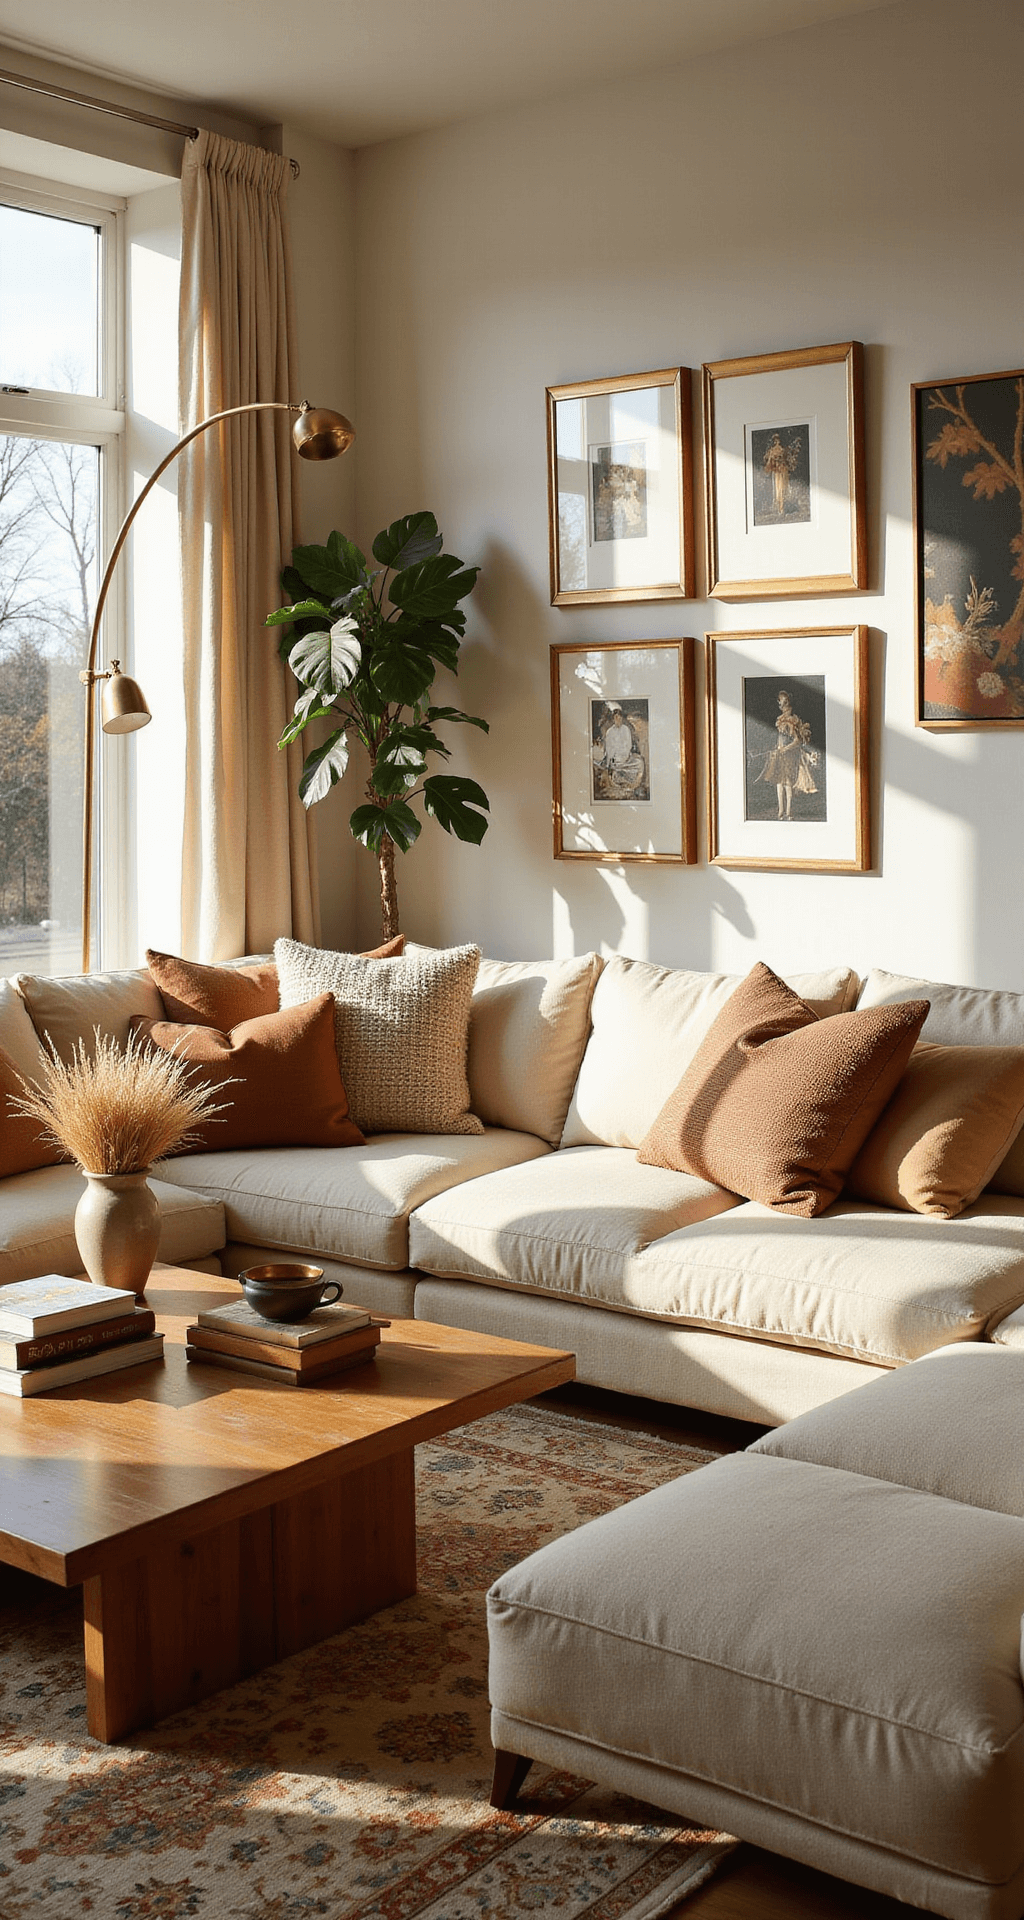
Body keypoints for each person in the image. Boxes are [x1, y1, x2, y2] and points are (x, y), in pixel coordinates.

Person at [757, 690, 818, 819]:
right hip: (780, 756)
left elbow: (797, 741)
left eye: (784, 703)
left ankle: (788, 812)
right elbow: (780, 739)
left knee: (788, 783)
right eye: (780, 703)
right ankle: (780, 811)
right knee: (779, 783)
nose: (782, 706)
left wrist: (785, 749)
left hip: (789, 756)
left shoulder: (791, 721)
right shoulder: (781, 721)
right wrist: (777, 748)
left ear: (788, 705)